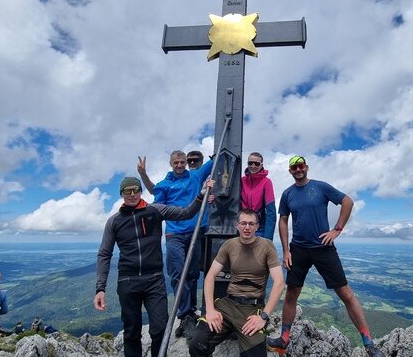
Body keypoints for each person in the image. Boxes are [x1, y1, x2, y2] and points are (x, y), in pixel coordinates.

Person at [266, 156, 385, 357]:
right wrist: (286, 250)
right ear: (290, 171)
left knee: (346, 294)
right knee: (292, 293)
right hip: (299, 249)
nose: (298, 169)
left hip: (323, 247)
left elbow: (347, 201)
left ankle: (368, 343)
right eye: (294, 167)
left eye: (301, 166)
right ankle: (284, 339)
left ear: (306, 167)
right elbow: (283, 221)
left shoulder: (321, 187)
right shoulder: (288, 194)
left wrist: (337, 229)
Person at [95, 176, 213, 357]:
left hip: (154, 280)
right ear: (122, 194)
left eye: (136, 189)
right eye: (128, 191)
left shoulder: (155, 211)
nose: (132, 194)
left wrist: (201, 195)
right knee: (131, 332)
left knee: (160, 329)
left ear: (140, 191)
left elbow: (185, 213)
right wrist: (100, 288)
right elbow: (104, 253)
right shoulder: (114, 221)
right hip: (128, 281)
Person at [189, 209, 284, 357]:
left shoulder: (267, 246)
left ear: (257, 226)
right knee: (197, 345)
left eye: (251, 224)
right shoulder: (229, 245)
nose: (247, 227)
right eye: (243, 223)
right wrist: (210, 310)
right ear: (237, 225)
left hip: (252, 309)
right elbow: (210, 276)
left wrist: (263, 317)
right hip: (227, 306)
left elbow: (279, 283)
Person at [139, 150, 214, 338]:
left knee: (192, 274)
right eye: (176, 162)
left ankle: (191, 312)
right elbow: (158, 208)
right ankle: (184, 314)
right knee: (178, 273)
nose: (180, 165)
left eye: (182, 162)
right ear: (171, 164)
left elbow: (215, 161)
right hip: (175, 234)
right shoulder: (165, 185)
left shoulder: (196, 175)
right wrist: (143, 175)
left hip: (195, 232)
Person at [240, 152, 276, 240]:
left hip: (259, 229)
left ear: (261, 165)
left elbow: (271, 212)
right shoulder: (241, 180)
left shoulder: (266, 182)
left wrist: (268, 239)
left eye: (256, 163)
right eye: (250, 163)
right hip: (242, 228)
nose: (253, 166)